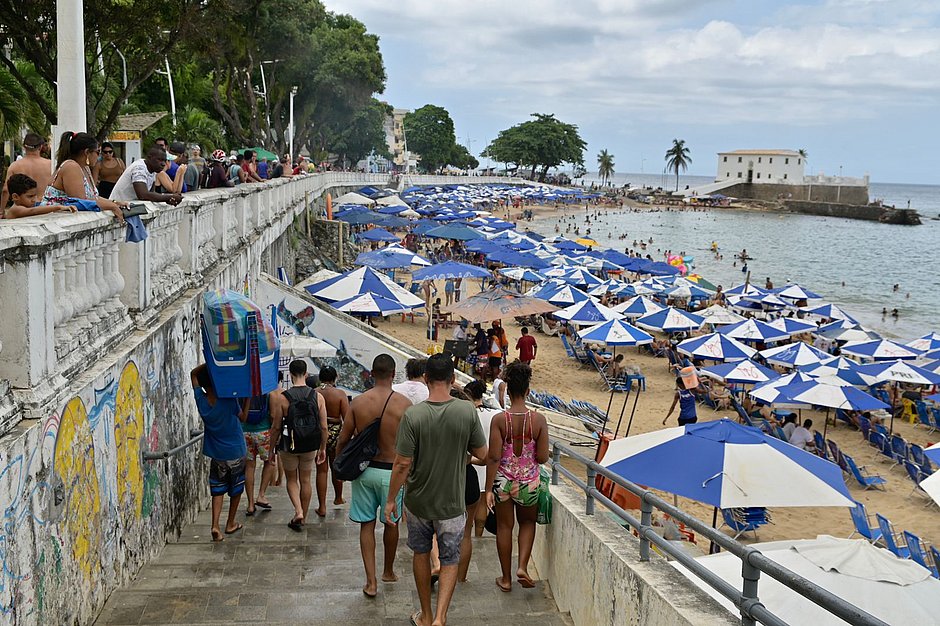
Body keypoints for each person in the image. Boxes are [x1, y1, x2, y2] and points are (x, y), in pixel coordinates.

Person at [384, 354, 488, 626]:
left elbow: (402, 463)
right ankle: (441, 617)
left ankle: (426, 615)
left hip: (419, 502)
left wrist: (391, 499)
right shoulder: (466, 411)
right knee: (450, 558)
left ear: (426, 379)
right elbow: (484, 453)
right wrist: (463, 455)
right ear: (453, 380)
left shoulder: (413, 415)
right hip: (452, 503)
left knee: (421, 553)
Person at [336, 354, 412, 598]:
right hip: (393, 473)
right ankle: (388, 571)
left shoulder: (358, 402)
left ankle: (370, 582)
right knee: (391, 522)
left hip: (364, 470)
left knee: (366, 525)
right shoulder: (404, 405)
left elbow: (343, 439)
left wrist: (340, 463)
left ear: (371, 373)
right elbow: (413, 445)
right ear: (393, 374)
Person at [485, 360, 549, 592]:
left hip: (503, 481)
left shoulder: (500, 420)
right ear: (528, 391)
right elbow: (542, 457)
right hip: (529, 482)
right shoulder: (539, 420)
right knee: (527, 523)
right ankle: (522, 566)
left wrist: (488, 489)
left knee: (504, 527)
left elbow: (493, 457)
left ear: (508, 391)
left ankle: (505, 578)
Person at [190, 364, 249, 542]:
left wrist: (210, 362)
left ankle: (215, 525)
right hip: (236, 451)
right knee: (236, 489)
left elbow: (193, 374)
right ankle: (230, 523)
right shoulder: (228, 400)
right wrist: (248, 401)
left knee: (218, 490)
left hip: (217, 454)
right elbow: (243, 418)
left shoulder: (201, 400)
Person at [268, 360, 328, 531]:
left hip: (289, 444)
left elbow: (276, 427)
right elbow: (324, 427)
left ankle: (298, 510)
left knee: (292, 479)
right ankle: (304, 515)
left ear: (291, 375)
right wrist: (322, 448)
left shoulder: (283, 398)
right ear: (306, 374)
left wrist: (272, 449)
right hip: (310, 444)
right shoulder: (318, 396)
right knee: (306, 479)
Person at [44, 131, 127, 222]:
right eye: (98, 152)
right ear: (87, 152)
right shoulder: (71, 167)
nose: (99, 156)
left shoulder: (85, 168)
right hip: (55, 219)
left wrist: (114, 202)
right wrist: (112, 206)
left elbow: (93, 197)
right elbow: (81, 201)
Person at [315, 366, 349, 512]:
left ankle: (322, 506)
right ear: (334, 378)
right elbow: (347, 418)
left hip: (318, 432)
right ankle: (338, 497)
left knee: (321, 470)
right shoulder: (340, 394)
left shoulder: (314, 392)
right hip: (336, 433)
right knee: (336, 467)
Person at [109, 145, 184, 205]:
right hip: (118, 206)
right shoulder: (139, 168)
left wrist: (168, 200)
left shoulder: (153, 170)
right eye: (160, 160)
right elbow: (143, 195)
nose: (163, 164)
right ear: (149, 158)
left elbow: (152, 193)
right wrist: (169, 197)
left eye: (165, 161)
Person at [1, 132, 52, 215]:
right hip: (45, 206)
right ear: (40, 147)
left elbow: (5, 190)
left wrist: (1, 210)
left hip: (23, 207)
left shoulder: (15, 165)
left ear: (24, 146)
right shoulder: (50, 164)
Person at [242, 393, 276, 516]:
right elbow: (272, 414)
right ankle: (261, 495)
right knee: (270, 462)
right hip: (264, 431)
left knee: (249, 466)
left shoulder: (242, 389)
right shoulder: (267, 391)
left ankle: (250, 504)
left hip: (245, 432)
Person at [3, 174, 76, 218]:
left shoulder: (25, 206)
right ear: (15, 197)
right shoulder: (15, 209)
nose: (34, 199)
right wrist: (59, 207)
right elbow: (33, 211)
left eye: (35, 196)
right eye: (30, 196)